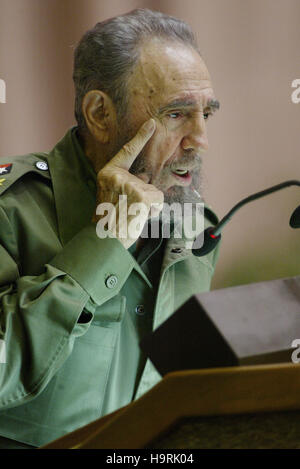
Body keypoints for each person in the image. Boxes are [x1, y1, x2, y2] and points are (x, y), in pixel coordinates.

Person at [0, 8, 220, 448]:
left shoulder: (196, 228)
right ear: (100, 113)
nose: (200, 139)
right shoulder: (13, 209)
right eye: (176, 115)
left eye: (206, 115)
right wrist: (104, 242)